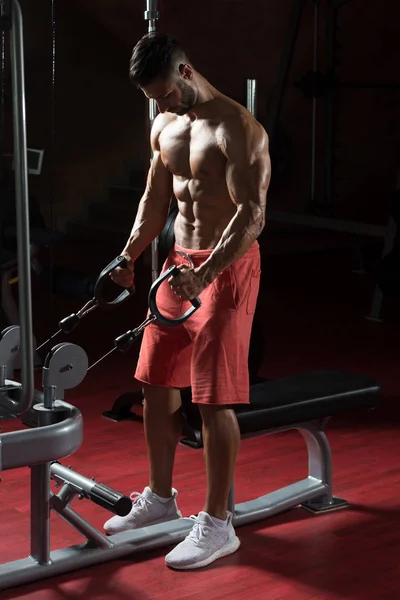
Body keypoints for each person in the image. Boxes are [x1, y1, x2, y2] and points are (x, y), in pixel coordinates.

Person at [104, 32, 271, 570]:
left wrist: (206, 275)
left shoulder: (238, 128)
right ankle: (158, 498)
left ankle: (219, 524)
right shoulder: (165, 124)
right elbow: (156, 197)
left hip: (225, 269)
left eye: (165, 94)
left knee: (212, 399)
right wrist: (129, 256)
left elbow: (251, 216)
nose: (161, 105)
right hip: (178, 267)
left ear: (186, 71)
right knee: (155, 380)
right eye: (152, 99)